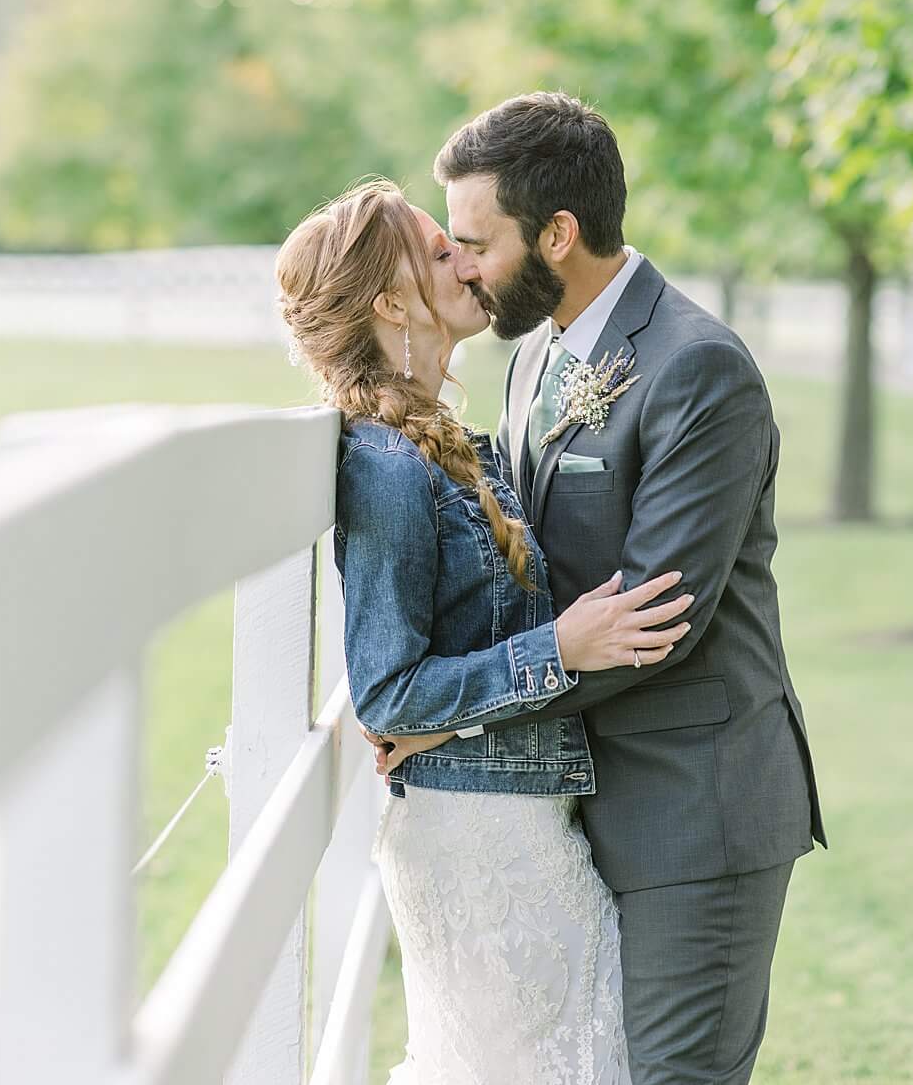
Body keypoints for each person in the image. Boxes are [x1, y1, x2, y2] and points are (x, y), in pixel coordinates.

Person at [381, 92, 826, 1085]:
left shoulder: (698, 367)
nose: (459, 265)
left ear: (559, 233)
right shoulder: (535, 351)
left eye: (473, 241)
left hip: (692, 803)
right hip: (577, 797)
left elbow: (649, 624)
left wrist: (451, 711)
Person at [277, 178, 695, 1082]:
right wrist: (562, 648)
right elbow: (388, 689)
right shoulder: (387, 465)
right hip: (475, 840)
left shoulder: (446, 435)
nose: (466, 262)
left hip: (525, 822)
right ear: (390, 301)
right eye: (439, 252)